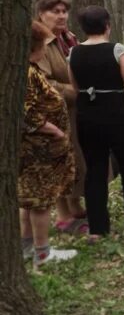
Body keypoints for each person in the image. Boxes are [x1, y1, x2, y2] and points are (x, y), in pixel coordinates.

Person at [69, 6, 124, 238]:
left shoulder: (73, 53)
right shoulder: (117, 50)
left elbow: (75, 88)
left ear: (83, 28)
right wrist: (114, 96)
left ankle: (97, 229)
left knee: (94, 171)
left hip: (87, 119)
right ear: (107, 25)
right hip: (117, 118)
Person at [19, 21, 78, 268]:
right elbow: (27, 113)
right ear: (34, 46)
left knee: (30, 201)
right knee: (40, 203)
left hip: (39, 149)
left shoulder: (30, 69)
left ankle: (27, 248)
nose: (47, 49)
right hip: (38, 150)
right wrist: (54, 130)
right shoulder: (28, 73)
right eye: (44, 45)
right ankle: (42, 253)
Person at [33, 0, 88, 235]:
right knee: (59, 161)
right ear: (41, 14)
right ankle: (63, 216)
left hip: (76, 111)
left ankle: (75, 204)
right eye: (54, 11)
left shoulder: (70, 37)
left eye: (64, 11)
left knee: (77, 158)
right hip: (51, 114)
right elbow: (41, 83)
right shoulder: (38, 42)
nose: (61, 16)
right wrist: (76, 91)